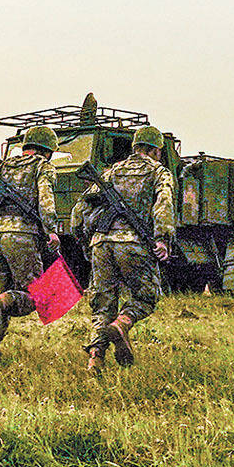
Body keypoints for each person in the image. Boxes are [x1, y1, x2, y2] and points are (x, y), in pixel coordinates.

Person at [70, 125, 174, 372]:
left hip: (101, 244)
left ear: (134, 147)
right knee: (146, 297)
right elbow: (164, 203)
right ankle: (123, 324)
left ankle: (95, 358)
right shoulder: (160, 172)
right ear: (157, 151)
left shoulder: (110, 172)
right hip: (133, 243)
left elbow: (80, 210)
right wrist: (163, 239)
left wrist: (85, 241)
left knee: (102, 303)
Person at [0, 126, 59, 361]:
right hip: (21, 234)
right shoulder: (42, 166)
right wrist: (51, 231)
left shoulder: (2, 167)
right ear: (48, 150)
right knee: (36, 295)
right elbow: (46, 200)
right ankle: (2, 301)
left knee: (1, 293)